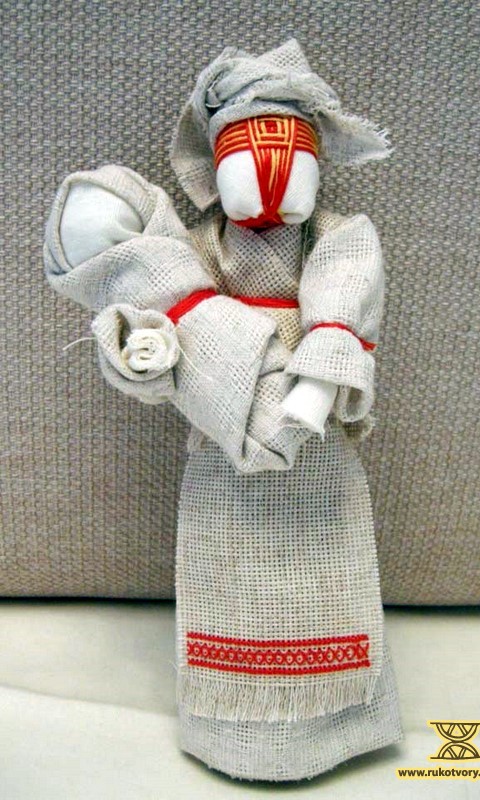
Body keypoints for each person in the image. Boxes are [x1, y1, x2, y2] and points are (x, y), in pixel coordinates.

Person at [44, 39, 403, 781]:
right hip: (220, 445)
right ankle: (231, 729)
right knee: (228, 575)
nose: (270, 182)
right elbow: (168, 340)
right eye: (248, 153)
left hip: (317, 447)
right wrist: (145, 355)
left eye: (289, 154)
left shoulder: (341, 237)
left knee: (324, 573)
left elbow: (341, 304)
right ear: (216, 165)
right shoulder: (193, 250)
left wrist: (310, 395)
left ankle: (337, 719)